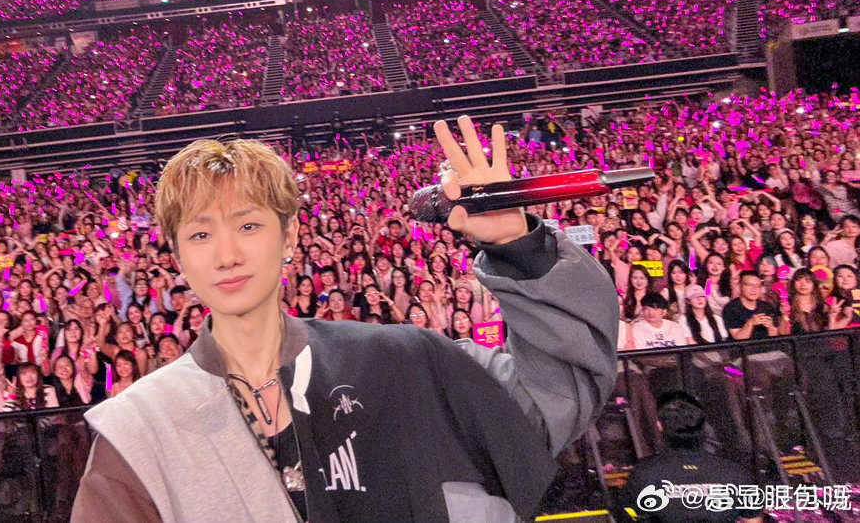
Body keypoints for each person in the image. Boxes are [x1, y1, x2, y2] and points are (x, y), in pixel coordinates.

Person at [72, 116, 619, 523]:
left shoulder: (404, 361)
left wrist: (518, 246)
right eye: (199, 234)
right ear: (177, 255)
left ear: (289, 235)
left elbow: (556, 396)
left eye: (248, 225)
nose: (226, 254)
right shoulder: (139, 431)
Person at [620, 391, 763, 523]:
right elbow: (753, 520)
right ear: (703, 426)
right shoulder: (736, 473)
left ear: (660, 426)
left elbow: (628, 514)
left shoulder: (643, 473)